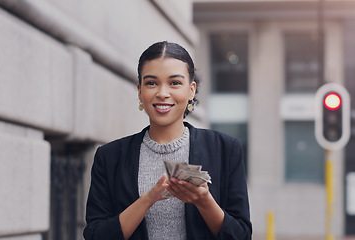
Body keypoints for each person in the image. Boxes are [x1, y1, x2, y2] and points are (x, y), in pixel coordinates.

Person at [83, 41, 252, 240]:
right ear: (139, 91)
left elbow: (241, 236)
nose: (162, 93)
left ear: (191, 90)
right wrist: (148, 199)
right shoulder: (110, 157)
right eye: (151, 83)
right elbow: (95, 235)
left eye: (175, 83)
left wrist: (204, 201)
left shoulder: (225, 149)